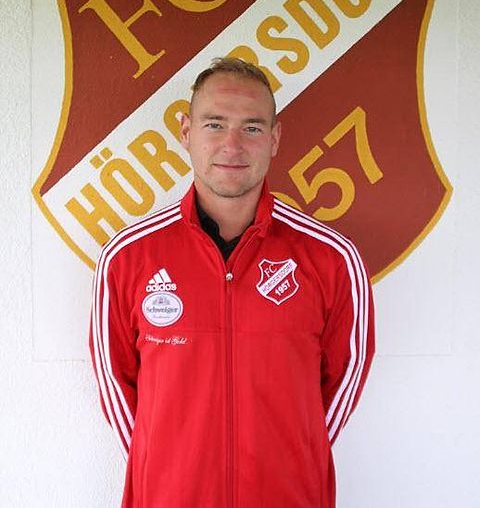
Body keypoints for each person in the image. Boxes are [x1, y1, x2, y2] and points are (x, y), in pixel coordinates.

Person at [90, 57, 375, 508]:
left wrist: (291, 456)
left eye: (252, 128)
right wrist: (167, 464)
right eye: (215, 124)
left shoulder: (331, 259)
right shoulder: (127, 257)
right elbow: (117, 386)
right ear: (186, 132)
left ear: (274, 138)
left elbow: (343, 379)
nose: (232, 144)